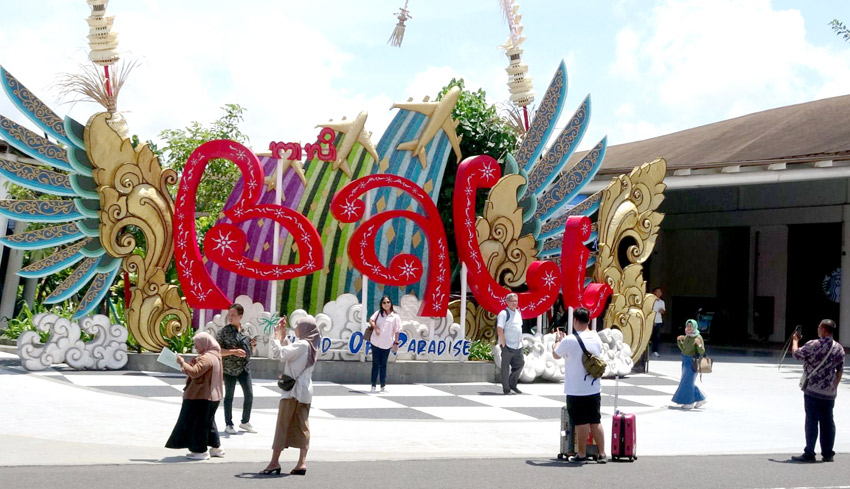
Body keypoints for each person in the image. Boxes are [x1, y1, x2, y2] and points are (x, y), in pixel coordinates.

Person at [261, 316, 320, 476]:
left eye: (299, 326)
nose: (297, 328)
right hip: (305, 391)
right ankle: (301, 462)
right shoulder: (312, 345)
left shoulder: (302, 344)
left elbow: (280, 354)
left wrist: (276, 337)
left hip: (292, 392)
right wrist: (283, 336)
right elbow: (292, 353)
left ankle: (274, 462)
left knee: (283, 425)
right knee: (302, 426)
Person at [553, 307, 607, 464]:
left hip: (576, 388)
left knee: (582, 422)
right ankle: (602, 453)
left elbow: (556, 355)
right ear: (589, 320)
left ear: (575, 320)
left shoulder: (569, 340)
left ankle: (582, 454)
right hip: (594, 386)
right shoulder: (596, 338)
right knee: (595, 420)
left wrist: (557, 341)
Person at [790, 319, 844, 463]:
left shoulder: (813, 344)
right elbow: (839, 371)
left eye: (819, 326)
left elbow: (796, 354)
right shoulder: (839, 348)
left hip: (813, 390)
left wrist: (795, 341)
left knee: (812, 420)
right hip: (829, 393)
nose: (818, 329)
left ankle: (809, 453)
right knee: (828, 422)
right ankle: (827, 453)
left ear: (823, 329)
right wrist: (834, 387)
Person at [165, 332, 225, 460]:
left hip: (201, 396)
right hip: (213, 396)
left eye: (197, 344)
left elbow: (195, 372)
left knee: (198, 424)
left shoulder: (206, 358)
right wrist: (187, 366)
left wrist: (182, 363)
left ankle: (200, 451)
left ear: (204, 343)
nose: (195, 347)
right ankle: (216, 448)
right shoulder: (215, 356)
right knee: (208, 422)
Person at [216, 303, 257, 434]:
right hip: (230, 369)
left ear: (241, 316)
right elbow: (218, 351)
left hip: (244, 368)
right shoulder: (224, 332)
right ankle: (229, 423)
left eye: (233, 315)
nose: (230, 317)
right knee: (229, 396)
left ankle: (245, 421)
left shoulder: (245, 331)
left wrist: (253, 347)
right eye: (229, 314)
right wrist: (233, 352)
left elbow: (249, 350)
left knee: (249, 395)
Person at [368, 295, 402, 393]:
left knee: (383, 364)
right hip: (375, 341)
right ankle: (373, 384)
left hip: (387, 343)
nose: (386, 304)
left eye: (388, 302)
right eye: (384, 303)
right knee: (375, 364)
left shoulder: (395, 316)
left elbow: (397, 330)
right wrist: (376, 328)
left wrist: (396, 343)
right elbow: (371, 320)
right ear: (381, 304)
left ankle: (383, 385)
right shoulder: (378, 313)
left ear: (391, 303)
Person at [672, 319, 707, 409]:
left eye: (691, 326)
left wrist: (699, 344)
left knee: (687, 382)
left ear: (695, 327)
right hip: (685, 361)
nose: (688, 328)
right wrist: (679, 341)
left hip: (692, 362)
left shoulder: (697, 337)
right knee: (687, 381)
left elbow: (702, 351)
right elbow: (684, 349)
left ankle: (689, 402)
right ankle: (700, 398)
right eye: (687, 326)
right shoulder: (687, 336)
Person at [497, 292, 525, 395]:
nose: (514, 303)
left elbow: (519, 327)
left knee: (520, 364)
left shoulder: (518, 312)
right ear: (507, 302)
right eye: (512, 301)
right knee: (505, 367)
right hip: (507, 345)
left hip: (518, 346)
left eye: (516, 301)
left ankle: (512, 383)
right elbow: (500, 329)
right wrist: (503, 343)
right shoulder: (503, 313)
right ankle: (506, 388)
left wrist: (520, 340)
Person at [650, 287, 665, 357]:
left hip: (659, 320)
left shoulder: (662, 302)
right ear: (654, 293)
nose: (658, 293)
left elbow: (663, 311)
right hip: (651, 321)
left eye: (660, 292)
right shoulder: (651, 301)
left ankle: (655, 351)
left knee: (656, 337)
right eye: (657, 291)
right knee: (650, 336)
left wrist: (662, 311)